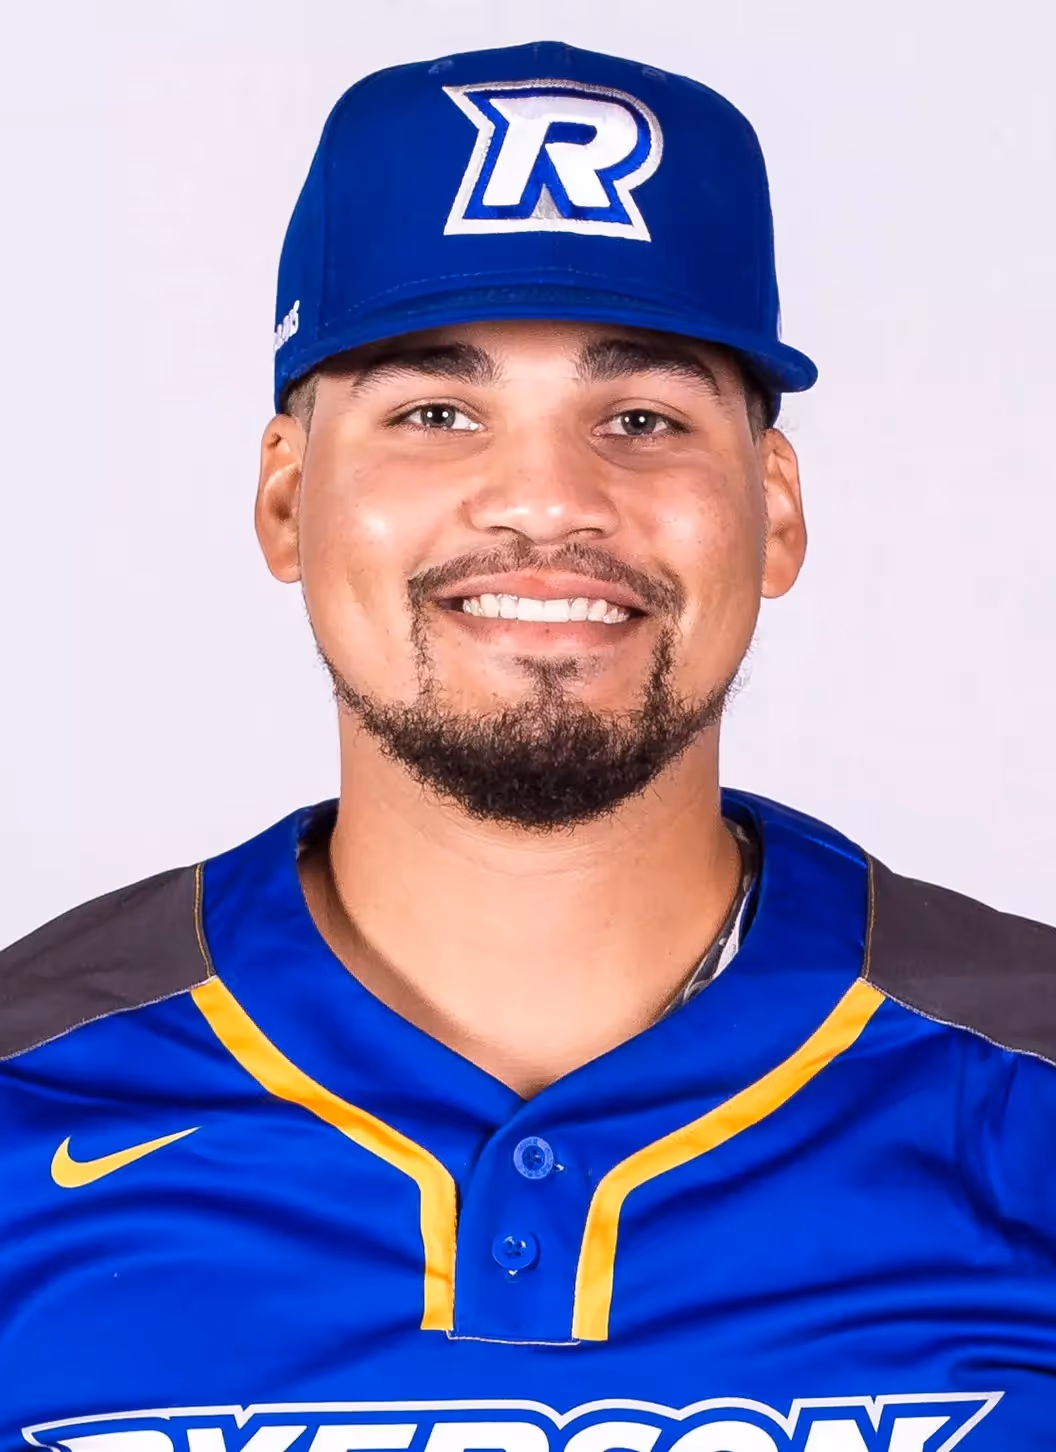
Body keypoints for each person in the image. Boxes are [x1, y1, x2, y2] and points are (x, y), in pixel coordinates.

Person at [1, 38, 1052, 1452]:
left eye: (643, 418)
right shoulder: (27, 1097)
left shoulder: (1026, 1096)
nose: (547, 499)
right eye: (437, 413)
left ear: (776, 510)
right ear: (288, 501)